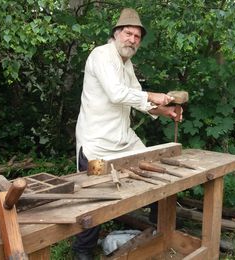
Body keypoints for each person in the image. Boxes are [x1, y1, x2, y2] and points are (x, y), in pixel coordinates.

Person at [73, 8, 181, 260]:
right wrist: (152, 95)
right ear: (116, 34)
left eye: (137, 37)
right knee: (96, 198)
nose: (132, 40)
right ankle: (82, 251)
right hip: (96, 144)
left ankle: (159, 231)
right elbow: (117, 93)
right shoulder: (100, 55)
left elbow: (137, 98)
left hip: (123, 139)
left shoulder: (126, 63)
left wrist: (165, 111)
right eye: (128, 33)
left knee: (158, 172)